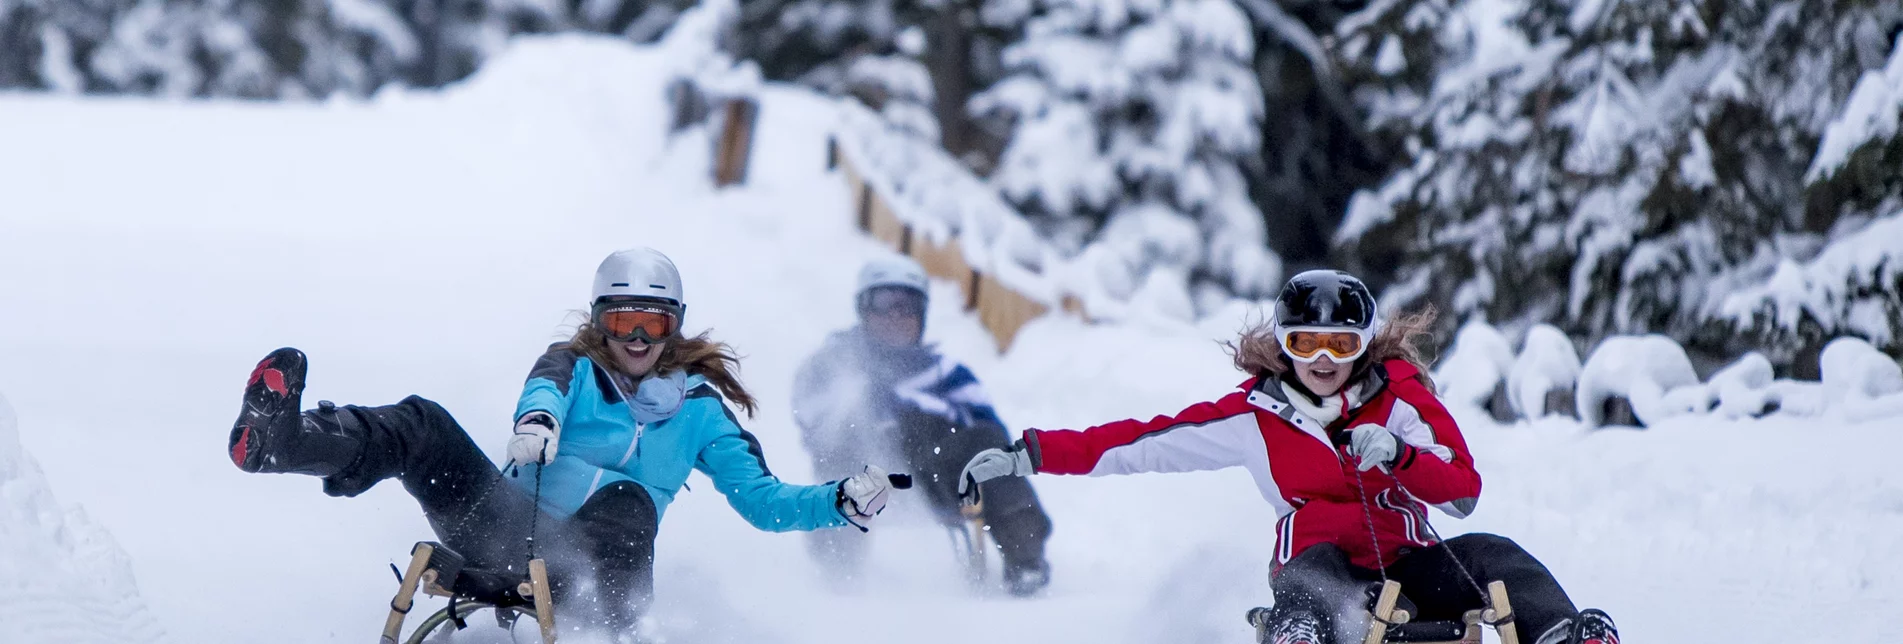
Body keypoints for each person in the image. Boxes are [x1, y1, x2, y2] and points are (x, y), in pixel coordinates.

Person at [227, 247, 901, 639]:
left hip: (597, 576)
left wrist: (837, 502)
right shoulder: (574, 366)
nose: (636, 339)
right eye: (623, 321)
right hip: (504, 525)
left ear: (675, 326)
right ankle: (287, 442)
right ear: (599, 322)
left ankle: (615, 627)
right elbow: (544, 391)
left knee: (631, 498)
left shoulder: (701, 414)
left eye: (653, 323)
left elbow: (763, 501)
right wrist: (538, 426)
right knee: (423, 423)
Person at [959, 270, 1619, 644]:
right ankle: (1298, 632)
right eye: (1306, 344)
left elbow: (1461, 491)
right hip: (1328, 570)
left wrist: (1398, 455)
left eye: (1340, 345)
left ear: (1363, 345)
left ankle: (1565, 633)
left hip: (1412, 564)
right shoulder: (1254, 416)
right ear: (1283, 345)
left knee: (1494, 552)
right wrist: (1030, 455)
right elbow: (1141, 443)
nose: (1324, 361)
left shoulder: (1400, 399)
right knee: (1312, 568)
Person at [791, 255, 1054, 595]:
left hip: (935, 474)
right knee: (849, 426)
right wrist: (867, 411)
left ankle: (1026, 560)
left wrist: (919, 411)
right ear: (864, 309)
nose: (895, 316)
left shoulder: (946, 374)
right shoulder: (834, 363)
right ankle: (836, 573)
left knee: (990, 447)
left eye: (907, 306)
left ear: (922, 314)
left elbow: (988, 427)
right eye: (884, 304)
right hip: (861, 470)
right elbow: (812, 419)